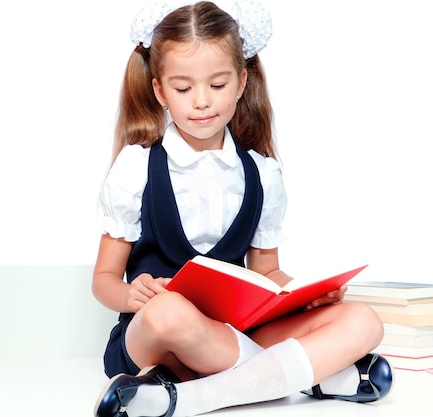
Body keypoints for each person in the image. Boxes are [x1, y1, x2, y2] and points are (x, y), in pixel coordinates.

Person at [92, 1, 393, 416]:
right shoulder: (137, 166)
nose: (201, 101)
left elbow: (266, 271)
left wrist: (305, 296)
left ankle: (183, 398)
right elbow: (104, 280)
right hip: (156, 336)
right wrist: (130, 293)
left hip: (232, 334)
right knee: (170, 312)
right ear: (160, 90)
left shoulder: (261, 173)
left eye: (217, 85)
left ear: (241, 82)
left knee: (363, 321)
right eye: (183, 88)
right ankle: (309, 375)